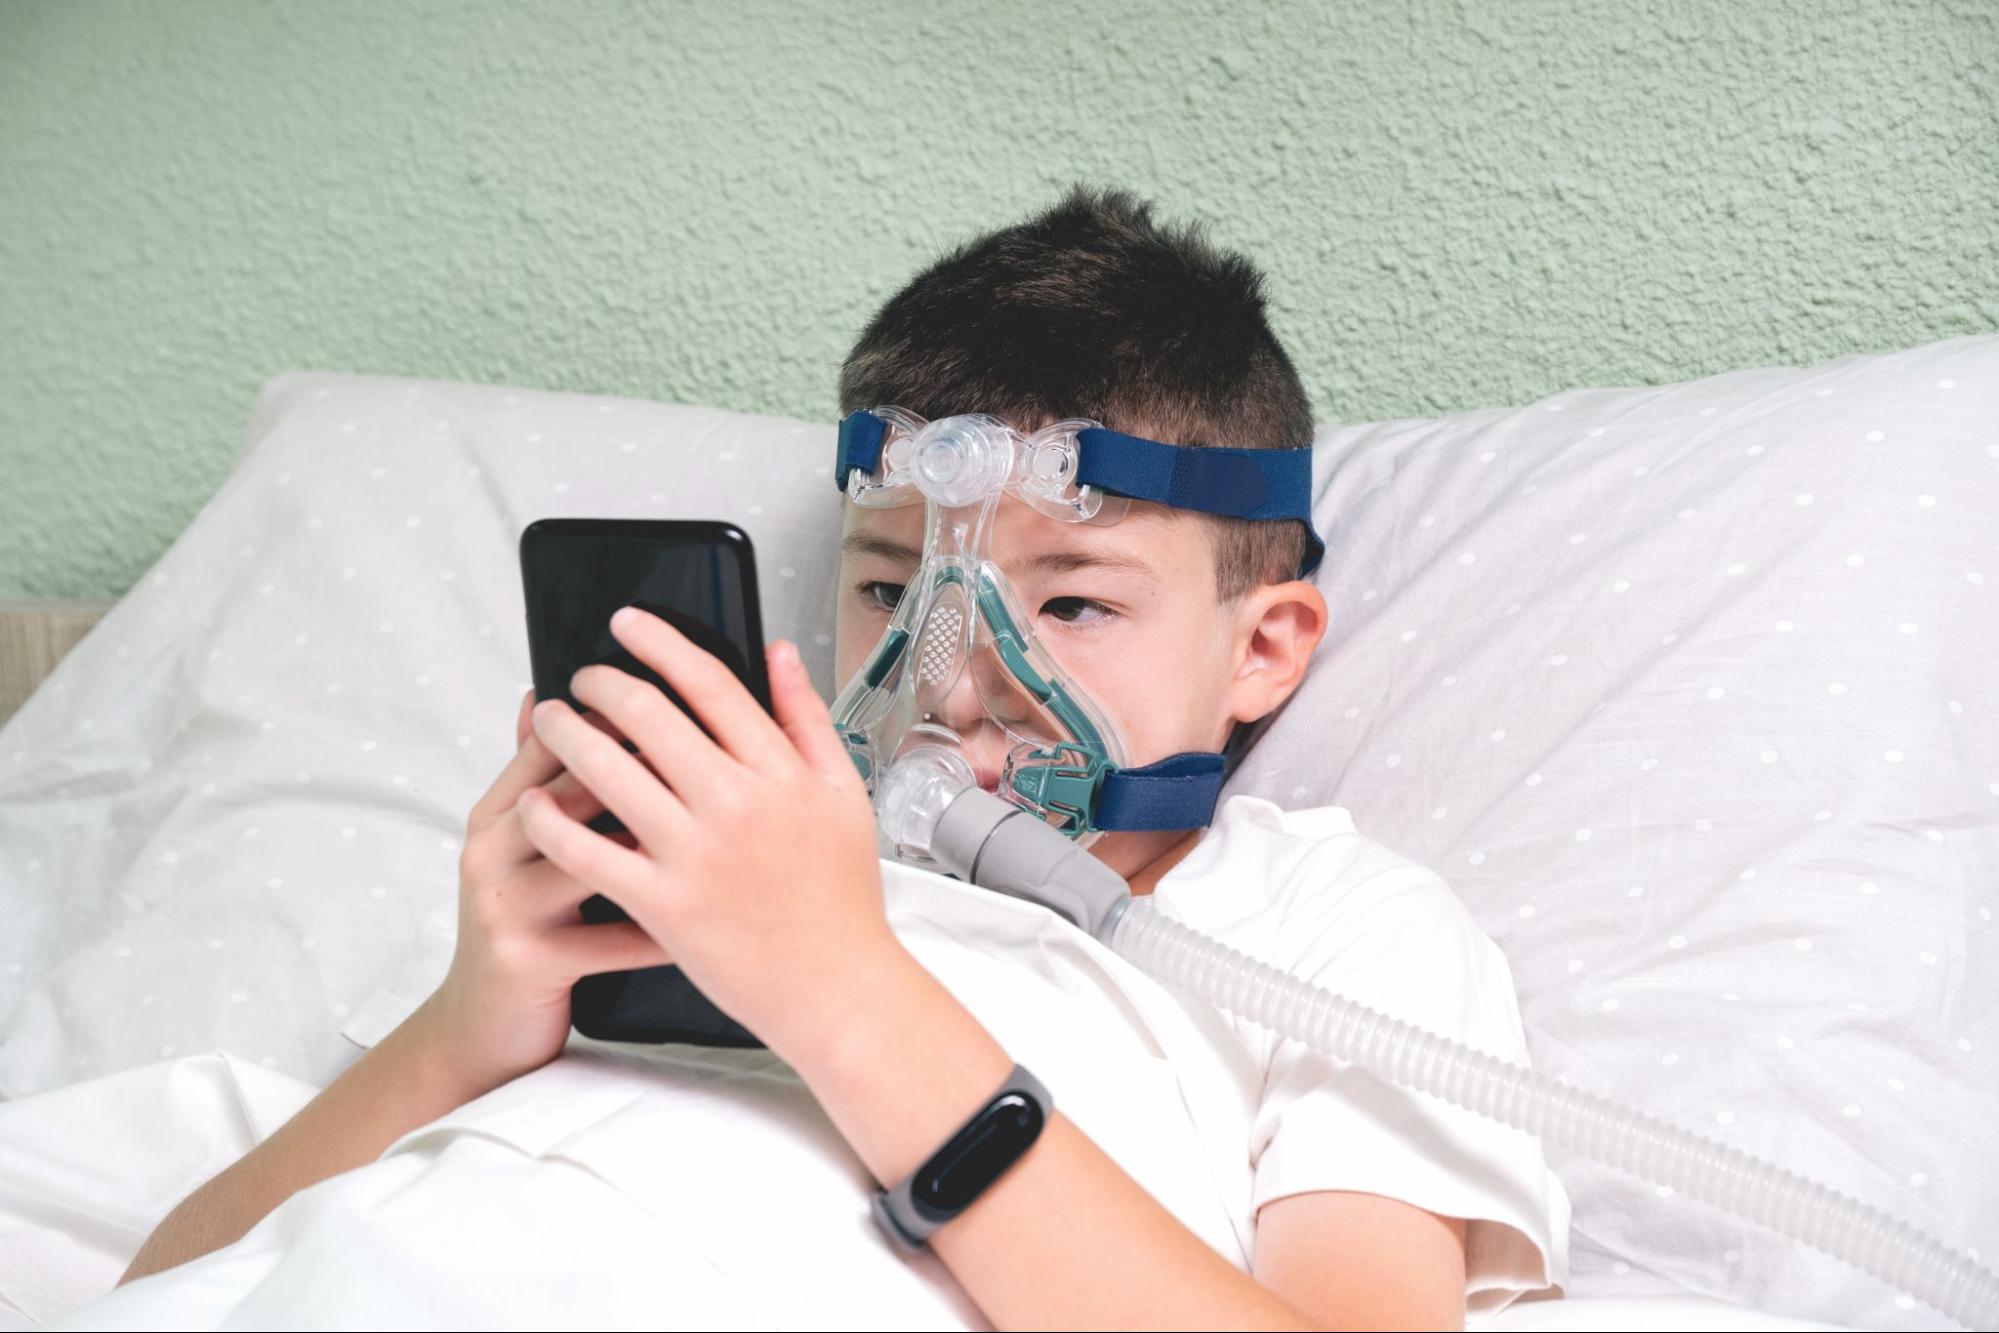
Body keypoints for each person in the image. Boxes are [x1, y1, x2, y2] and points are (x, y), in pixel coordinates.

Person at [117, 185, 1567, 1329]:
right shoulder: (720, 855)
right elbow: (169, 1279)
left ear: (1262, 647)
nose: (959, 673)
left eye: (1071, 598)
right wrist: (467, 1025)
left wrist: (838, 987)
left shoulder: (1331, 929)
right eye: (891, 586)